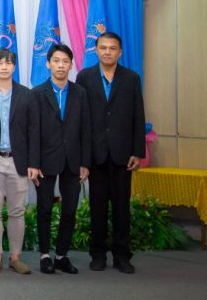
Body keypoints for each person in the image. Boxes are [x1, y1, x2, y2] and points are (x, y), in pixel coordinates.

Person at [76, 32, 144, 274]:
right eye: (102, 48)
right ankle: (97, 254)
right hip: (95, 155)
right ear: (96, 50)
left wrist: (138, 151)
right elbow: (81, 120)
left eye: (112, 48)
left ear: (120, 52)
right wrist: (83, 157)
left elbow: (138, 115)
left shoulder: (131, 78)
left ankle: (122, 255)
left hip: (123, 154)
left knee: (121, 208)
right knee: (97, 207)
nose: (107, 52)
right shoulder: (84, 77)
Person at [0, 49, 39, 275]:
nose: (4, 67)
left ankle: (15, 257)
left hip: (18, 161)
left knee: (17, 211)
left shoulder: (27, 94)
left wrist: (34, 162)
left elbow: (34, 130)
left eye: (9, 63)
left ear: (14, 67)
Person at [32, 43, 90, 275]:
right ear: (48, 63)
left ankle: (62, 255)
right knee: (44, 208)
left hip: (73, 161)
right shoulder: (36, 93)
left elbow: (86, 129)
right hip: (45, 161)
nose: (60, 65)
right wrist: (33, 163)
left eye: (65, 61)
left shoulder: (80, 93)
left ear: (71, 65)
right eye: (56, 60)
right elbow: (33, 131)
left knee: (69, 210)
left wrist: (85, 162)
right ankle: (45, 255)